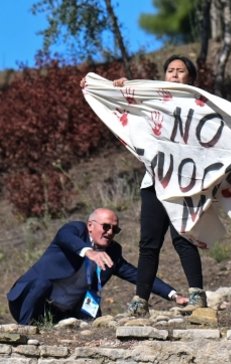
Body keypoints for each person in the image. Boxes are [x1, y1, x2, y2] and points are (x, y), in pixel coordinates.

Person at [81, 55, 207, 316]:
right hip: (154, 183)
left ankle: (197, 294)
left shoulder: (198, 105)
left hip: (184, 183)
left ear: (191, 78)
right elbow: (128, 112)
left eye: (180, 71)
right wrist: (122, 89)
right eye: (170, 70)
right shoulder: (153, 102)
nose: (174, 74)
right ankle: (141, 300)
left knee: (183, 238)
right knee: (149, 244)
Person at [6, 208, 187, 325]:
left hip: (64, 312)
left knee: (95, 318)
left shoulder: (112, 252)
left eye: (114, 230)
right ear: (90, 226)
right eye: (106, 226)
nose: (109, 233)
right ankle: (23, 330)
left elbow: (137, 274)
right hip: (29, 300)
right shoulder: (75, 230)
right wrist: (88, 251)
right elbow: (65, 237)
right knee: (42, 282)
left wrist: (172, 294)